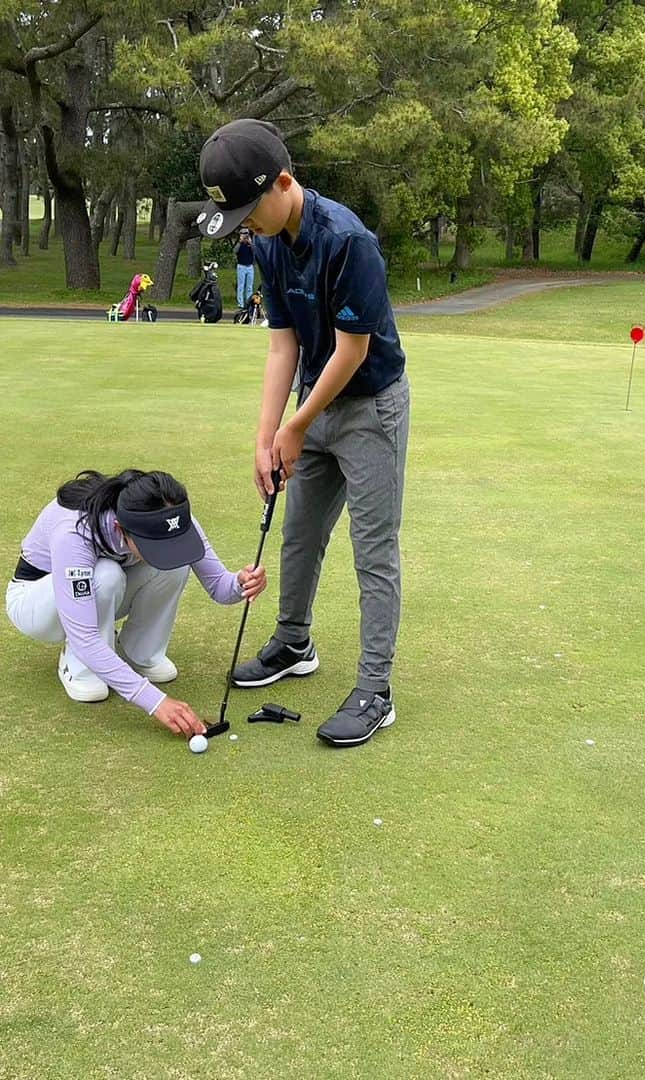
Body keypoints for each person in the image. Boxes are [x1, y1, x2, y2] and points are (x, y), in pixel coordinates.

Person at [196, 118, 410, 749]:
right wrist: (266, 436)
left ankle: (376, 688)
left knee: (373, 550)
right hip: (310, 408)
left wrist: (294, 425)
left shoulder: (348, 240)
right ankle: (294, 642)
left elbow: (351, 350)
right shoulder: (265, 242)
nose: (245, 226)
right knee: (298, 534)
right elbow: (281, 342)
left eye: (247, 211)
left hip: (370, 405)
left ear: (283, 182)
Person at [6, 469, 267, 738]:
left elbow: (220, 587)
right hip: (36, 605)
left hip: (98, 592)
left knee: (173, 565)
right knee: (105, 575)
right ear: (120, 529)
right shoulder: (74, 532)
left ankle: (138, 652)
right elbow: (85, 636)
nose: (165, 548)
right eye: (152, 544)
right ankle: (77, 665)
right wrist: (156, 702)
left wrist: (241, 583)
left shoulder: (170, 515)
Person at [235, 227, 255, 309]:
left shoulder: (250, 243)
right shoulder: (239, 244)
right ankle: (240, 304)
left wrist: (251, 244)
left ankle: (248, 303)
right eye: (243, 234)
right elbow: (235, 251)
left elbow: (255, 251)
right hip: (241, 267)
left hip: (250, 267)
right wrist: (240, 242)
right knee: (241, 286)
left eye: (246, 234)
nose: (245, 236)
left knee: (249, 287)